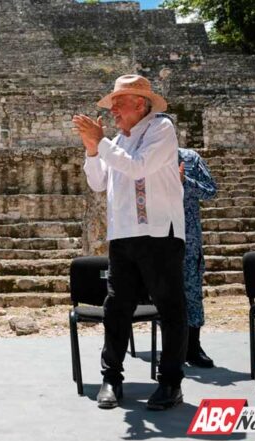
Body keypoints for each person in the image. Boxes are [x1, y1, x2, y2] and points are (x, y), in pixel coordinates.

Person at [73, 75, 187, 410]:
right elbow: (97, 183)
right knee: (117, 307)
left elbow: (139, 168)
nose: (113, 112)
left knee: (170, 307)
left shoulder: (161, 129)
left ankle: (170, 383)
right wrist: (93, 150)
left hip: (159, 233)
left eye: (118, 104)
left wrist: (102, 142)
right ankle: (111, 378)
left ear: (140, 103)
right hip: (123, 235)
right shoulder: (117, 141)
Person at [178, 147, 217, 367]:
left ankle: (193, 347)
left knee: (192, 294)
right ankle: (172, 347)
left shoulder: (191, 158)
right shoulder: (144, 157)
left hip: (188, 240)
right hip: (157, 240)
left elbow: (211, 190)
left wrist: (186, 181)